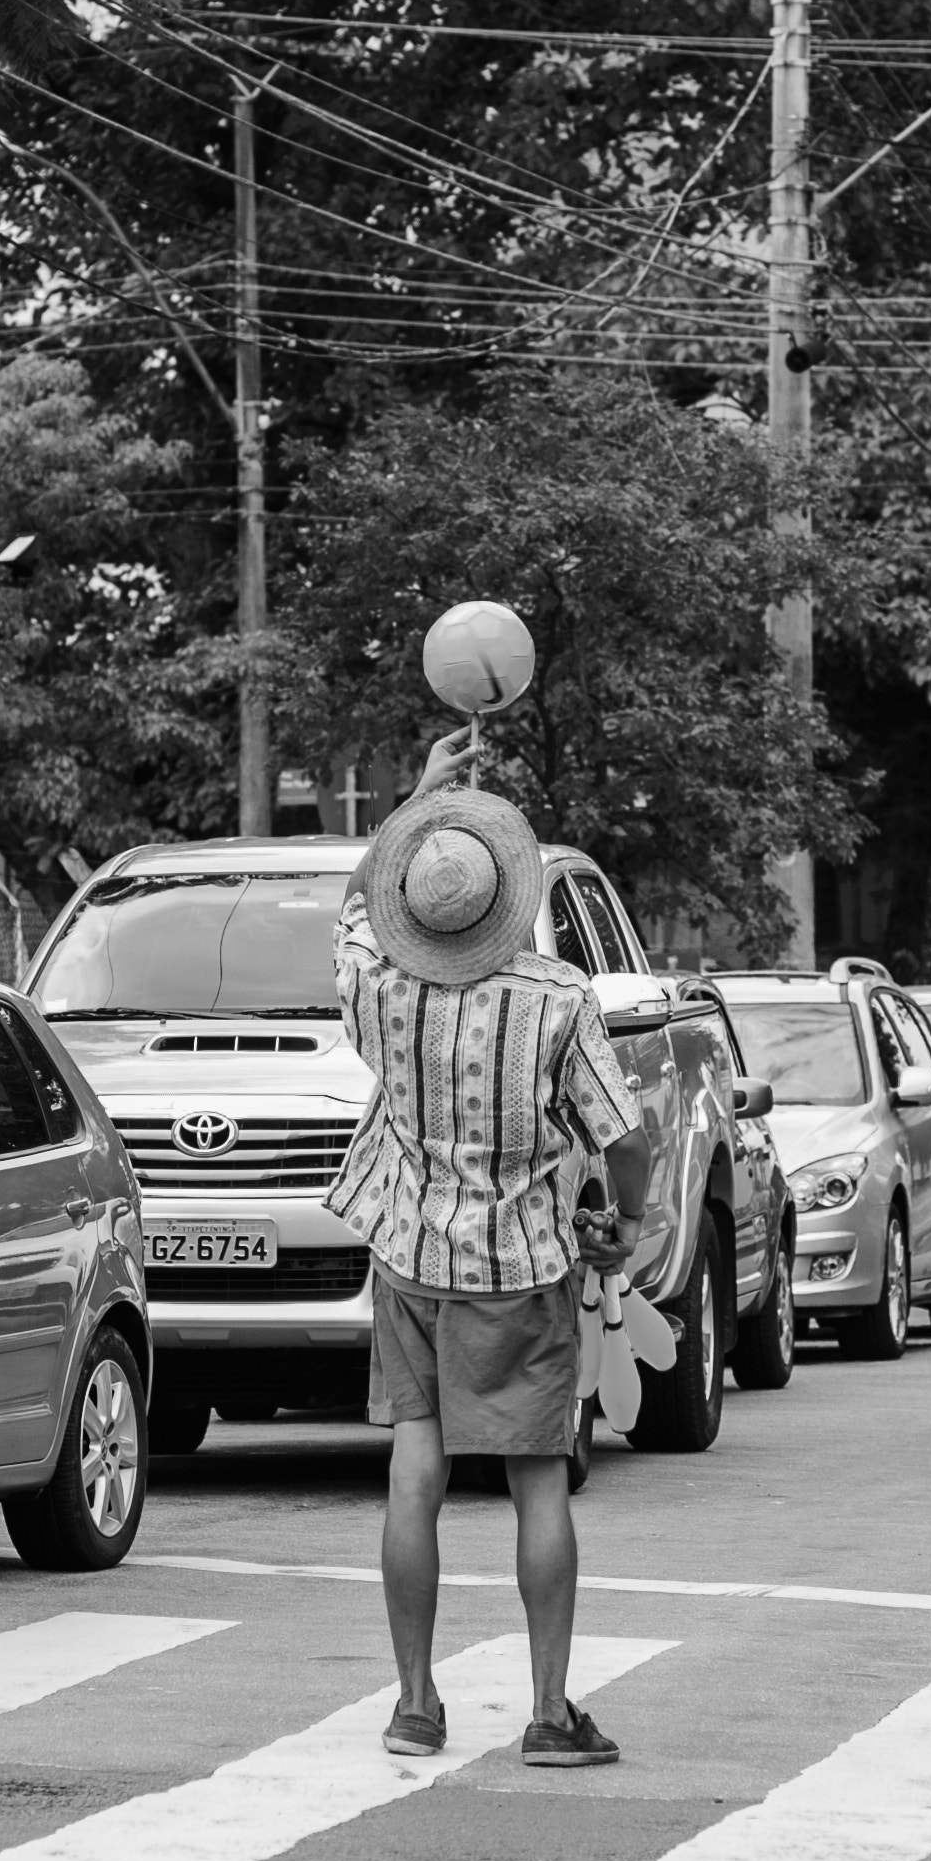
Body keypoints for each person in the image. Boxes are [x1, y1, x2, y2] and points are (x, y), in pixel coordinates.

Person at [325, 725, 650, 1769]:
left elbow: (346, 918)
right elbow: (621, 1133)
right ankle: (550, 1713)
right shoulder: (555, 998)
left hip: (409, 1259)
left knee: (411, 1472)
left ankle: (415, 1703)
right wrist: (623, 1222)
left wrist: (406, 805)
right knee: (537, 1480)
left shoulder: (380, 990)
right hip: (521, 1268)